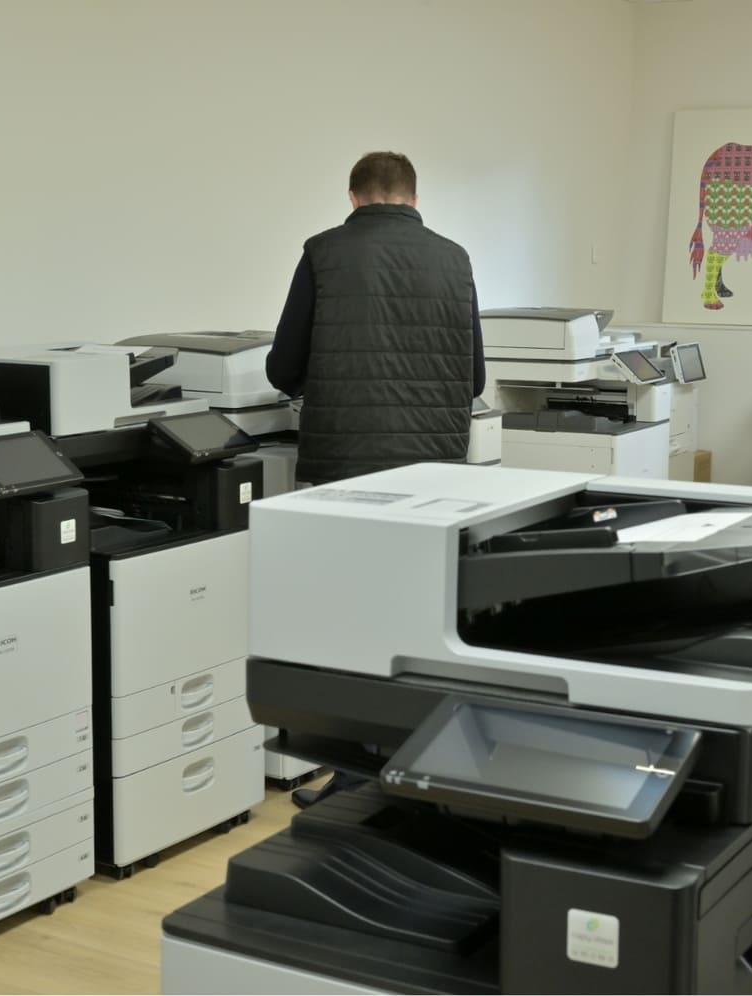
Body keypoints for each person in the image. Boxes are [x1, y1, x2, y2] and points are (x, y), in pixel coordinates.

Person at [265, 150, 486, 807]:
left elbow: (282, 367)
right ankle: (420, 766)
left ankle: (356, 777)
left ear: (354, 197)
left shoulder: (323, 251)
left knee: (351, 625)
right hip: (436, 473)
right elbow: (474, 377)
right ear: (413, 198)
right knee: (418, 620)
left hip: (347, 471)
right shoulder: (455, 258)